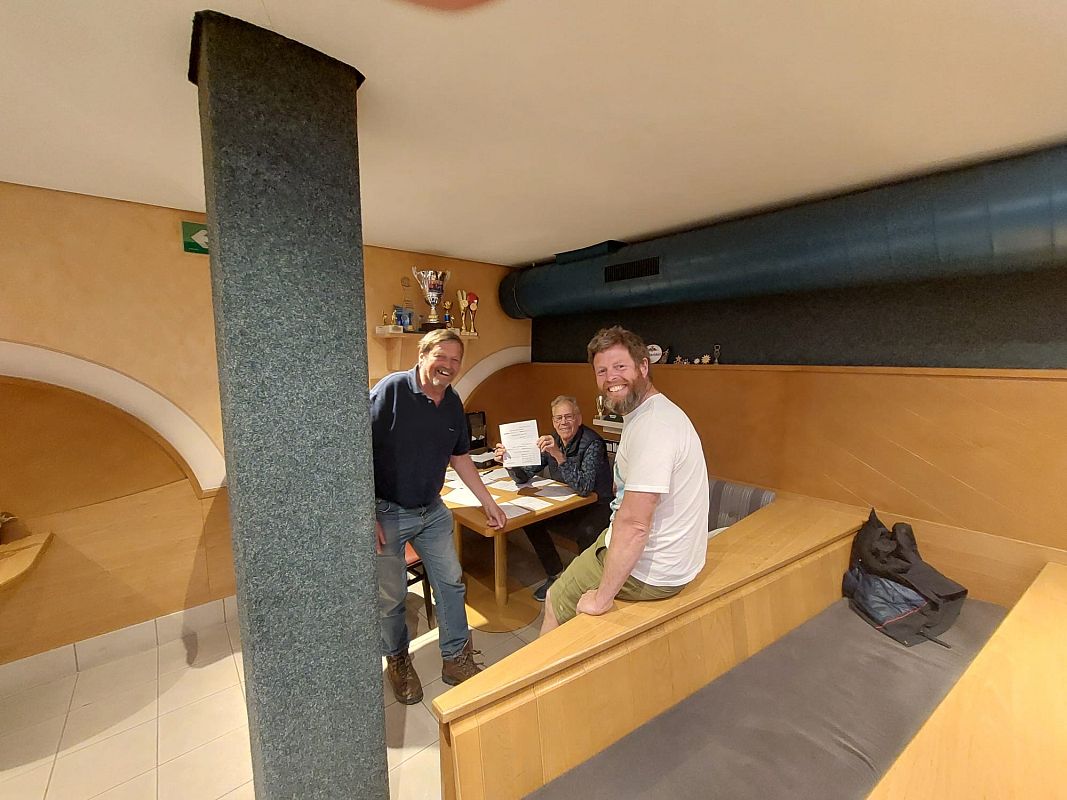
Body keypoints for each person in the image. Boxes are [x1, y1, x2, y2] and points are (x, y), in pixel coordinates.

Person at [541, 326, 710, 634]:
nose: (611, 378)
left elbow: (634, 526)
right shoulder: (652, 413)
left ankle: (544, 667)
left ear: (643, 366)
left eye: (620, 366)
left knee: (555, 598)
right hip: (666, 558)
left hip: (654, 571)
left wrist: (600, 599)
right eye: (602, 371)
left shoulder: (653, 426)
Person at [371, 328, 507, 704]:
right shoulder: (392, 390)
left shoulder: (452, 402)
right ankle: (398, 659)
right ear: (423, 355)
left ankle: (455, 659)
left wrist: (488, 502)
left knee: (451, 583)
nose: (448, 365)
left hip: (431, 510)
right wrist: (365, 514)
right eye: (441, 357)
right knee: (392, 595)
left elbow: (459, 456)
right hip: (387, 511)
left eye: (455, 360)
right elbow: (356, 449)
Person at [493, 395, 612, 602]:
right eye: (558, 418)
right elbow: (524, 476)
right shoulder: (552, 440)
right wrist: (510, 461)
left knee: (587, 532)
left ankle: (585, 584)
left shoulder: (592, 443)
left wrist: (559, 456)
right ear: (553, 421)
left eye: (568, 417)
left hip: (597, 504)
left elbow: (584, 488)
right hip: (568, 504)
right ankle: (555, 573)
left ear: (578, 418)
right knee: (530, 519)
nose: (563, 422)